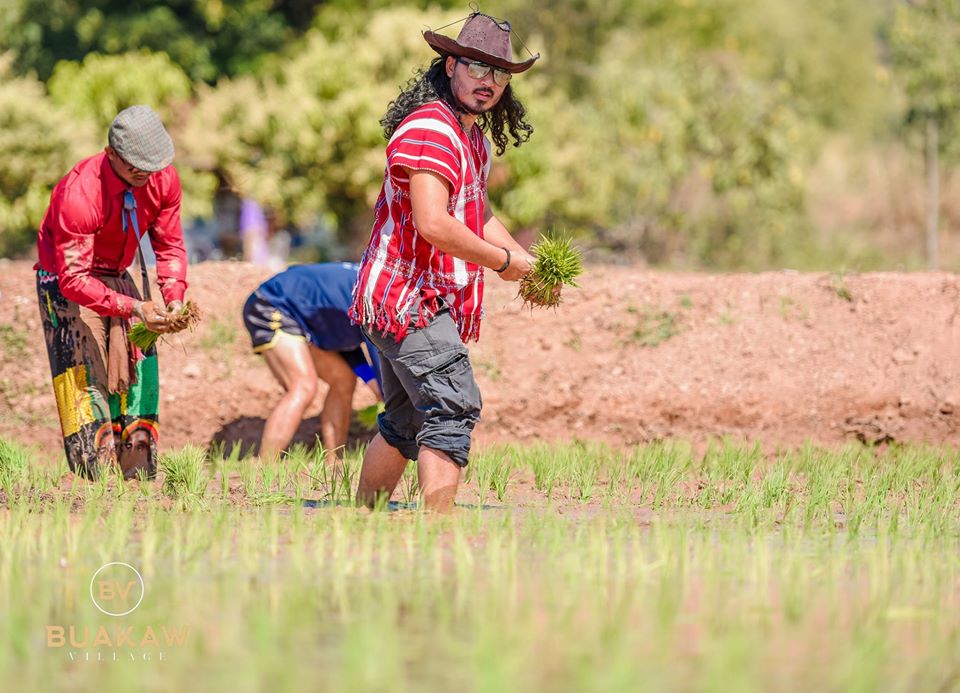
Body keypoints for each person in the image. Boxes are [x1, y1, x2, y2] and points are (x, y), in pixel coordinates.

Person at [349, 11, 540, 511]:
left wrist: (527, 263)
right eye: (477, 68)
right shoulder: (432, 129)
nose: (489, 82)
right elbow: (433, 224)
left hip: (404, 298)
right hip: (407, 298)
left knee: (408, 419)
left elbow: (477, 214)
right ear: (450, 65)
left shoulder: (470, 135)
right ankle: (439, 531)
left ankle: (360, 523)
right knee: (453, 405)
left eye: (499, 73)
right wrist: (502, 263)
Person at [35, 105, 187, 480]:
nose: (145, 173)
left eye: (151, 166)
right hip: (67, 281)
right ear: (112, 155)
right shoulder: (80, 192)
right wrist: (135, 307)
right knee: (86, 380)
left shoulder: (163, 179)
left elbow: (169, 247)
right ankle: (96, 486)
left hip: (118, 275)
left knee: (141, 375)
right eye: (135, 166)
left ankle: (137, 482)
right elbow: (73, 279)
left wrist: (174, 298)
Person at [243, 263, 383, 462]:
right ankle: (264, 468)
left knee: (343, 380)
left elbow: (346, 340)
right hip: (272, 304)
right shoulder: (378, 296)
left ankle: (333, 463)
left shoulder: (373, 283)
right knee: (303, 386)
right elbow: (378, 351)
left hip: (301, 314)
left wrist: (373, 382)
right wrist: (387, 392)